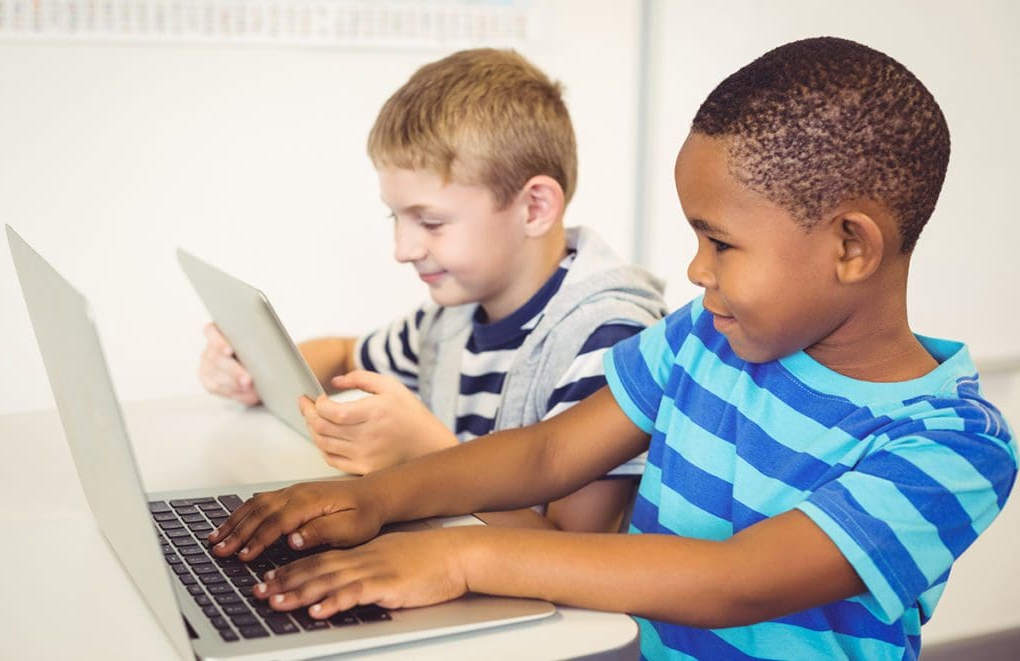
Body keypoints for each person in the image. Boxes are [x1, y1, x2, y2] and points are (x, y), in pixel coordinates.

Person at [207, 37, 1018, 659]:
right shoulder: (704, 339)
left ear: (850, 245)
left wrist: (457, 556)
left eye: (721, 242)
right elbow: (550, 452)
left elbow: (730, 582)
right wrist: (379, 500)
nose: (696, 269)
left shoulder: (953, 446)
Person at [198, 48, 667, 533]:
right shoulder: (450, 318)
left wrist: (425, 456)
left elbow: (574, 550)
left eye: (431, 221)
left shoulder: (608, 339)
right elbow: (341, 355)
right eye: (395, 217)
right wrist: (257, 372)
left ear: (533, 208)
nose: (402, 249)